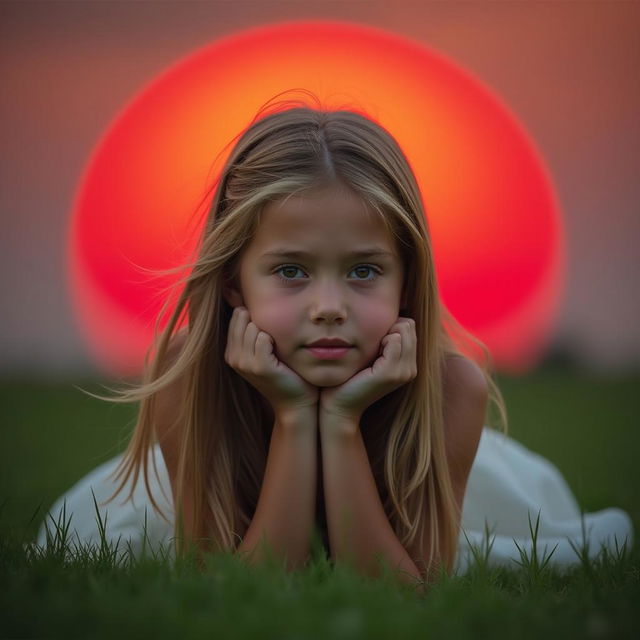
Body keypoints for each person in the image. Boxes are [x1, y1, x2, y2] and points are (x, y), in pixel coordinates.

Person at [36, 94, 633, 588]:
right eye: (291, 271)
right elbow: (243, 586)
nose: (328, 308)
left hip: (466, 482)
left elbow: (404, 593)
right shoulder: (188, 375)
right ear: (233, 284)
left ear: (408, 283)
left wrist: (342, 422)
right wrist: (295, 418)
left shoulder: (452, 389)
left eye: (364, 271)